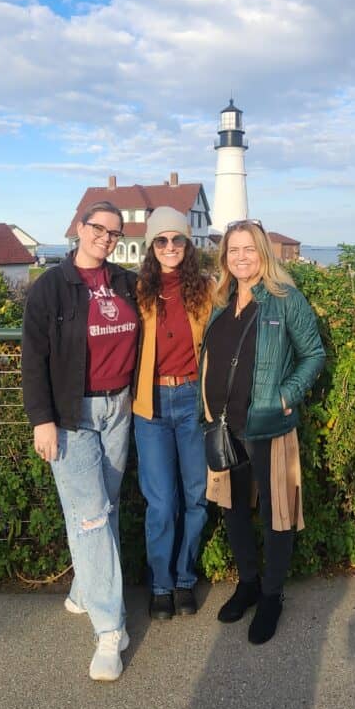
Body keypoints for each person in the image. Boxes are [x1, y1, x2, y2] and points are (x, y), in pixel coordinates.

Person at [21, 201, 139, 682]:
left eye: (114, 232)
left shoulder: (126, 283)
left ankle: (85, 588)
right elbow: (33, 357)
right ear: (79, 229)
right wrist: (41, 419)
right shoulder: (50, 287)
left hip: (120, 408)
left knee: (100, 508)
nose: (105, 238)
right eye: (98, 228)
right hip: (72, 416)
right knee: (91, 517)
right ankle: (111, 630)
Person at [199, 219, 325, 645]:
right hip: (224, 426)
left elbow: (313, 354)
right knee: (233, 509)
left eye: (249, 249)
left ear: (264, 253)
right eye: (233, 250)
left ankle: (271, 595)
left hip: (268, 425)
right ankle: (248, 583)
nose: (241, 257)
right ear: (225, 257)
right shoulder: (221, 300)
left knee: (277, 513)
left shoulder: (285, 299)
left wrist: (286, 397)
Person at [132, 206, 214, 619]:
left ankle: (185, 578)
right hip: (150, 405)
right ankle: (160, 582)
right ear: (151, 245)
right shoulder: (139, 290)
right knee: (162, 503)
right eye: (161, 240)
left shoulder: (206, 288)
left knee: (196, 497)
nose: (169, 247)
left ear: (188, 243)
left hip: (191, 403)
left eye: (177, 239)